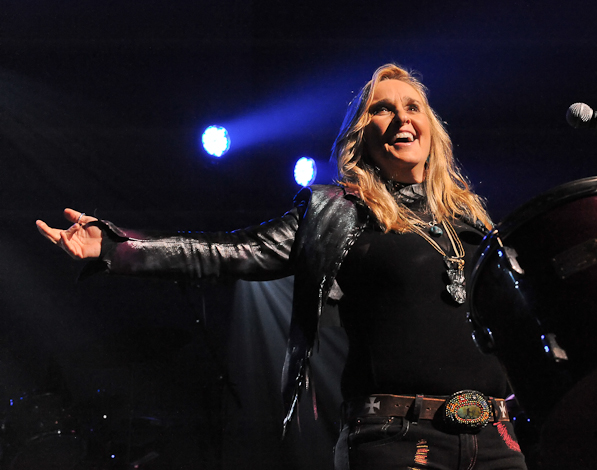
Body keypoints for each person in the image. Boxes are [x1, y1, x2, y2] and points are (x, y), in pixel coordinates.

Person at [37, 63, 528, 470]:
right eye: (382, 108)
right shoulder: (341, 209)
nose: (401, 117)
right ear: (362, 135)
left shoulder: (469, 219)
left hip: (495, 440)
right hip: (400, 440)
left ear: (431, 126)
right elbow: (231, 252)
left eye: (412, 106)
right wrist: (117, 249)